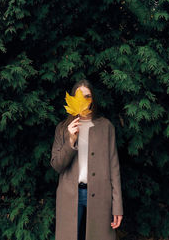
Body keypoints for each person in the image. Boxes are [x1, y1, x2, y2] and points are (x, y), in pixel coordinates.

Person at [50, 79, 123, 240]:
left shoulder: (106, 127)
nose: (84, 100)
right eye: (79, 96)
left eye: (88, 96)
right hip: (70, 195)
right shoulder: (63, 128)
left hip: (100, 196)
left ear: (93, 99)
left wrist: (117, 206)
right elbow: (56, 165)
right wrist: (70, 141)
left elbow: (114, 168)